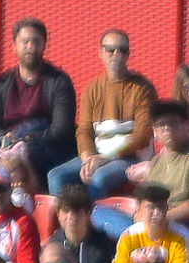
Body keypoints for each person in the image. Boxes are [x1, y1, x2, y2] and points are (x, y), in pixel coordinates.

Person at [47, 30, 154, 200]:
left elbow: (142, 135)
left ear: (128, 55)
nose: (116, 54)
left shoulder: (142, 89)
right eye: (110, 50)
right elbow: (84, 131)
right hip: (96, 155)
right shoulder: (92, 88)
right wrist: (88, 157)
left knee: (100, 178)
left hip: (128, 158)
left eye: (122, 50)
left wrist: (105, 158)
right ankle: (67, 222)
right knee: (56, 176)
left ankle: (92, 225)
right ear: (101, 53)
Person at [0, 18, 76, 193]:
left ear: (44, 45)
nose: (30, 46)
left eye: (36, 41)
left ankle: (25, 204)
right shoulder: (1, 84)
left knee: (25, 152)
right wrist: (9, 140)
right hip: (7, 145)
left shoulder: (59, 81)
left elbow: (60, 130)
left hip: (46, 146)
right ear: (14, 46)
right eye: (25, 41)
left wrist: (25, 139)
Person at [108, 186, 189, 263]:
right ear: (139, 209)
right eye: (151, 207)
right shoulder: (129, 236)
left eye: (161, 207)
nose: (157, 213)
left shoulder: (182, 238)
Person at [133, 99, 189, 224]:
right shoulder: (156, 162)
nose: (167, 128)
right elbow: (145, 198)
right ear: (155, 131)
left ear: (186, 124)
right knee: (100, 213)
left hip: (180, 222)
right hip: (155, 223)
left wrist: (164, 217)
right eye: (161, 124)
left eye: (172, 122)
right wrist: (139, 215)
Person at [52, 182, 117, 263]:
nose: (71, 217)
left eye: (77, 212)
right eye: (66, 211)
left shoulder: (104, 248)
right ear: (58, 215)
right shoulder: (53, 245)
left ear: (88, 214)